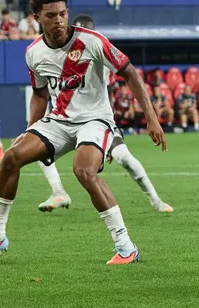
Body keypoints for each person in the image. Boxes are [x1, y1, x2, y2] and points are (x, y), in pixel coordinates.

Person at [0, 0, 167, 265]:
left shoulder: (92, 41)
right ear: (37, 18)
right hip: (59, 121)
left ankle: (125, 245)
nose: (58, 20)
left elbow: (129, 72)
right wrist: (29, 130)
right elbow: (39, 93)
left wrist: (151, 117)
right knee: (11, 158)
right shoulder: (33, 53)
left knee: (83, 171)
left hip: (96, 119)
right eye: (51, 15)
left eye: (62, 14)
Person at [35, 14, 173, 214]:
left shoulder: (98, 50)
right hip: (64, 122)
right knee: (39, 150)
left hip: (96, 120)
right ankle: (58, 192)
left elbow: (127, 73)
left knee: (125, 158)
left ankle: (156, 200)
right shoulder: (57, 54)